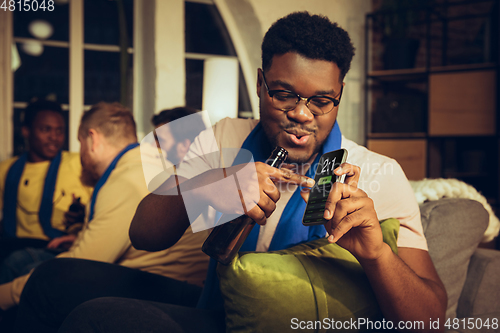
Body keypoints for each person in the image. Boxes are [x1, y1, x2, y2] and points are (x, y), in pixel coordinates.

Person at [29, 12, 447, 333]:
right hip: (218, 305)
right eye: (284, 94)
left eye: (321, 101)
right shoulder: (226, 135)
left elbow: (432, 321)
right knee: (56, 278)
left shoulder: (378, 174)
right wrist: (209, 187)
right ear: (262, 83)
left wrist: (376, 255)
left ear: (338, 97)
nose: (301, 114)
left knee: (102, 318)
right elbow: (144, 234)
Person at [11, 105, 210, 333]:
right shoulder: (142, 166)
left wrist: (5, 294)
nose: (81, 155)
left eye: (80, 142)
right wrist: (79, 235)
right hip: (172, 281)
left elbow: (80, 264)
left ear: (93, 139)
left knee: (45, 278)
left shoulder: (126, 179)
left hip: (174, 289)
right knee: (24, 262)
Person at [0, 99, 91, 280]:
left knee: (19, 264)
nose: (54, 137)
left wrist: (84, 215)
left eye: (59, 131)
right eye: (45, 129)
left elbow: (103, 206)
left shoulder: (78, 163)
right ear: (26, 131)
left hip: (58, 245)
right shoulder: (6, 170)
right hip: (14, 242)